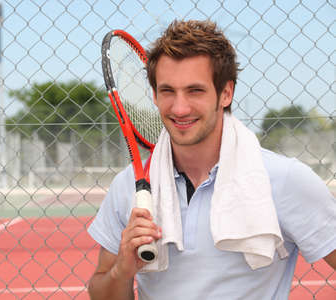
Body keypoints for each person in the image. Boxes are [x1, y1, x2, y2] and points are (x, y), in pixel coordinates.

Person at [87, 19, 336, 299]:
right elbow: (101, 292)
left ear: (226, 93)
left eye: (195, 90)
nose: (180, 108)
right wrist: (123, 269)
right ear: (154, 95)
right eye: (168, 91)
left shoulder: (286, 179)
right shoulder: (128, 187)